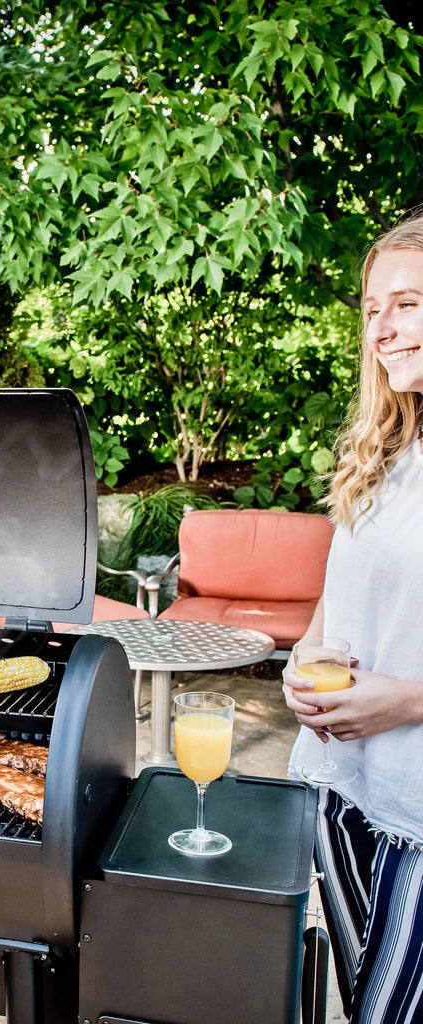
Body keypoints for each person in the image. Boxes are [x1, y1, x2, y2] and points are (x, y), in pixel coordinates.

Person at [283, 212, 423, 1024]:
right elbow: (338, 597)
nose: (383, 328)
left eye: (407, 303)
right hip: (343, 785)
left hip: (416, 800)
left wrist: (405, 700)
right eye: (372, 308)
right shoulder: (384, 450)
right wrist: (303, 662)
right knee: (360, 989)